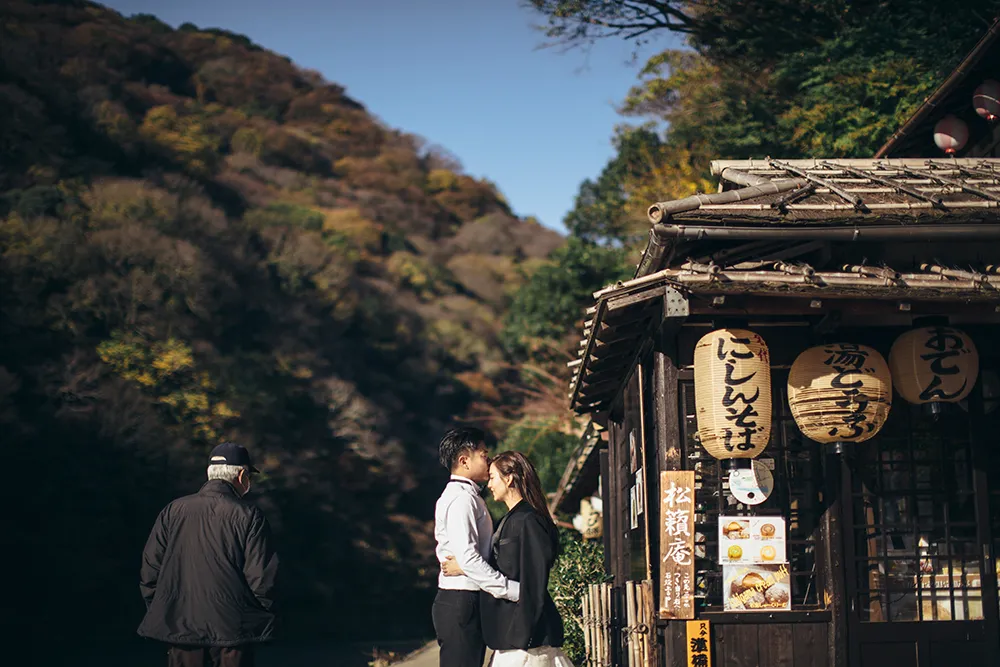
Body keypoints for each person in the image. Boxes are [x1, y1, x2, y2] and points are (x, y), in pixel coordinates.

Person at [138, 442, 279, 667]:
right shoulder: (249, 515)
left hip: (181, 631)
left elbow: (151, 570)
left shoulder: (173, 511)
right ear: (242, 476)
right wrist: (254, 621)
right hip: (233, 633)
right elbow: (262, 579)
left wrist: (165, 610)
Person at [443, 451, 572, 667]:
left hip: (527, 641)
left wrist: (522, 636)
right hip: (512, 637)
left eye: (493, 477)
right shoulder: (510, 520)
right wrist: (466, 567)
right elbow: (505, 566)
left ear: (509, 478)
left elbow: (534, 580)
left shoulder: (528, 520)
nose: (489, 485)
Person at [433, 427, 521, 667]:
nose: (489, 460)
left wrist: (465, 566)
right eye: (483, 455)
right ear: (464, 461)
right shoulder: (461, 499)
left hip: (466, 597)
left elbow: (468, 560)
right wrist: (512, 590)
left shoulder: (467, 496)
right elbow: (469, 558)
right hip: (461, 599)